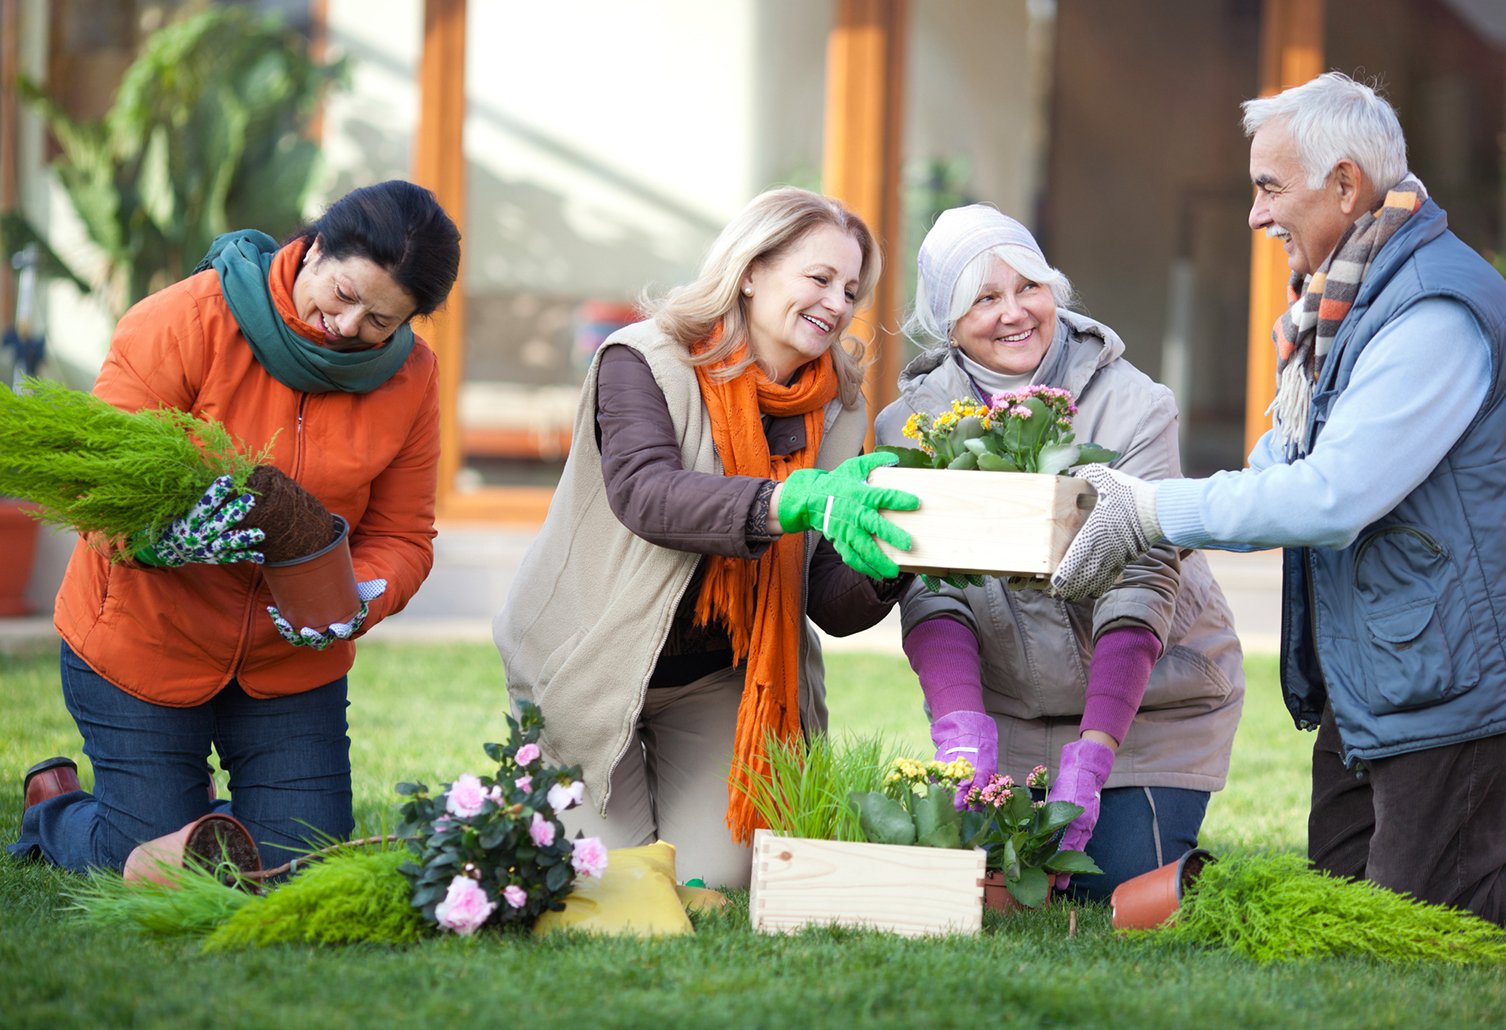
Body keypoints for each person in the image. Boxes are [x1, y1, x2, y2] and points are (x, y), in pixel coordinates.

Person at [1053, 72, 1506, 933]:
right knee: (1345, 885)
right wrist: (1161, 513)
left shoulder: (1433, 310)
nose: (1254, 214)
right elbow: (1282, 461)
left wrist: (1153, 512)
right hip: (1385, 667)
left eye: (1270, 188)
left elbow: (1331, 496)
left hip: (1455, 669)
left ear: (1345, 186)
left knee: (1425, 914)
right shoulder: (1338, 310)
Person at [12, 180, 462, 872]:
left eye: (381, 321)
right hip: (146, 641)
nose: (349, 328)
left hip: (287, 663)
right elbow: (94, 489)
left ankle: (219, 819)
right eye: (344, 296)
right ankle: (57, 810)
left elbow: (404, 536)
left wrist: (361, 595)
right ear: (312, 250)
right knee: (147, 856)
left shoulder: (412, 378)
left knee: (298, 866)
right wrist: (156, 537)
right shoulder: (185, 321)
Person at [493, 186, 919, 889]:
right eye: (819, 278)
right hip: (590, 659)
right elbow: (647, 494)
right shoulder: (643, 360)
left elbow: (829, 605)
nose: (838, 304)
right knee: (605, 880)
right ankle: (537, 783)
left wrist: (894, 557)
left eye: (851, 289)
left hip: (719, 676)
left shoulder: (838, 405)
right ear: (750, 270)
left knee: (713, 883)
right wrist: (791, 500)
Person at [875, 204, 1245, 900]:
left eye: (1030, 287)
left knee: (1123, 885)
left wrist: (1097, 750)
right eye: (985, 298)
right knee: (995, 888)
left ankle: (1149, 818)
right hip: (1008, 718)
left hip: (1148, 712)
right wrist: (962, 738)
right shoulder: (911, 424)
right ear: (947, 324)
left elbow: (1143, 578)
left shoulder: (1137, 404)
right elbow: (932, 586)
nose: (1015, 313)